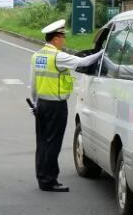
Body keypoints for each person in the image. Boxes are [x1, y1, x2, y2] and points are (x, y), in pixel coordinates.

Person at [30, 19, 102, 192]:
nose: (64, 41)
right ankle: (50, 181)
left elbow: (32, 83)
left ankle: (42, 178)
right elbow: (83, 62)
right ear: (55, 38)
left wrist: (34, 103)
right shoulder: (57, 56)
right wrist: (103, 53)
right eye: (62, 37)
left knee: (42, 143)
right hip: (56, 106)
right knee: (53, 143)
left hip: (41, 105)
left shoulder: (37, 55)